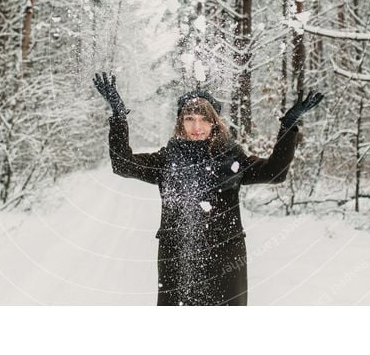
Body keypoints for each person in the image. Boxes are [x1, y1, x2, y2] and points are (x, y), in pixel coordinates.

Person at [93, 72, 324, 306]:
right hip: (178, 260)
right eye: (190, 119)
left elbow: (275, 172)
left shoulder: (231, 159)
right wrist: (119, 116)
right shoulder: (167, 160)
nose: (197, 126)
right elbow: (123, 165)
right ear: (180, 123)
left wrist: (289, 125)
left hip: (225, 263)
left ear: (214, 123)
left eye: (204, 119)